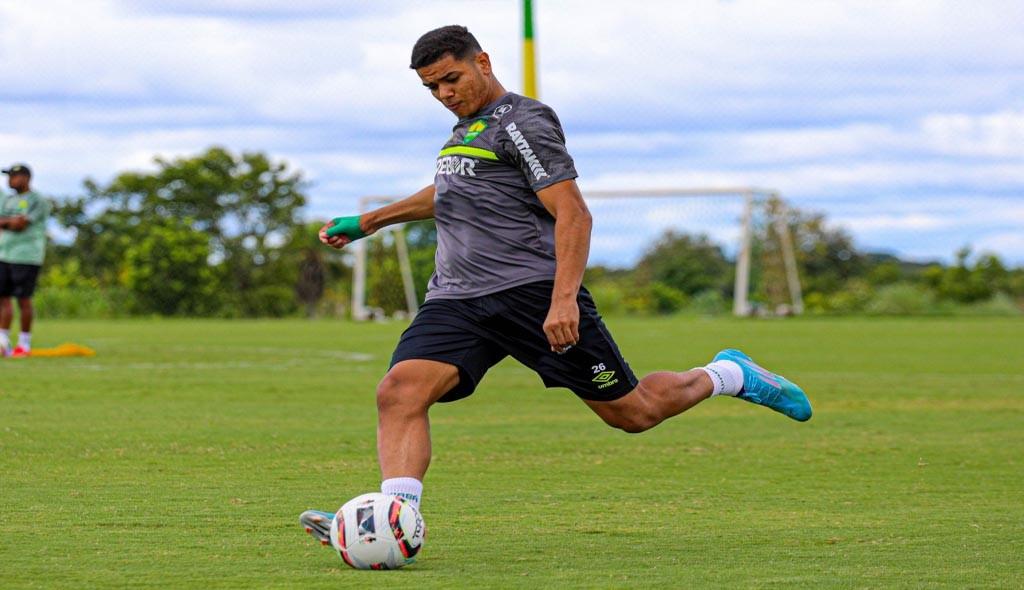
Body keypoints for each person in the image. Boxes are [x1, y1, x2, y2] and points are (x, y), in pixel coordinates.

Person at [300, 25, 811, 545]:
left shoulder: (524, 121)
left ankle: (728, 374)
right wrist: (371, 221)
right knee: (399, 391)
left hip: (531, 294)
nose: (444, 94)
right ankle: (397, 519)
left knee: (634, 413)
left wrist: (563, 299)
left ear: (482, 62)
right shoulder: (466, 130)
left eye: (451, 79)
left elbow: (574, 213)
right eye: (432, 87)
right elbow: (451, 190)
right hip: (457, 297)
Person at [0, 164, 51, 358]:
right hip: (4, 253)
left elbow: (21, 224)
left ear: (26, 178)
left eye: (14, 176)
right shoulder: (8, 200)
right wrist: (10, 221)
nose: (10, 180)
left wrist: (8, 222)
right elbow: (10, 222)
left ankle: (24, 344)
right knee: (2, 298)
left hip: (26, 256)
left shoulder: (38, 200)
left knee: (23, 299)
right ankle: (3, 341)